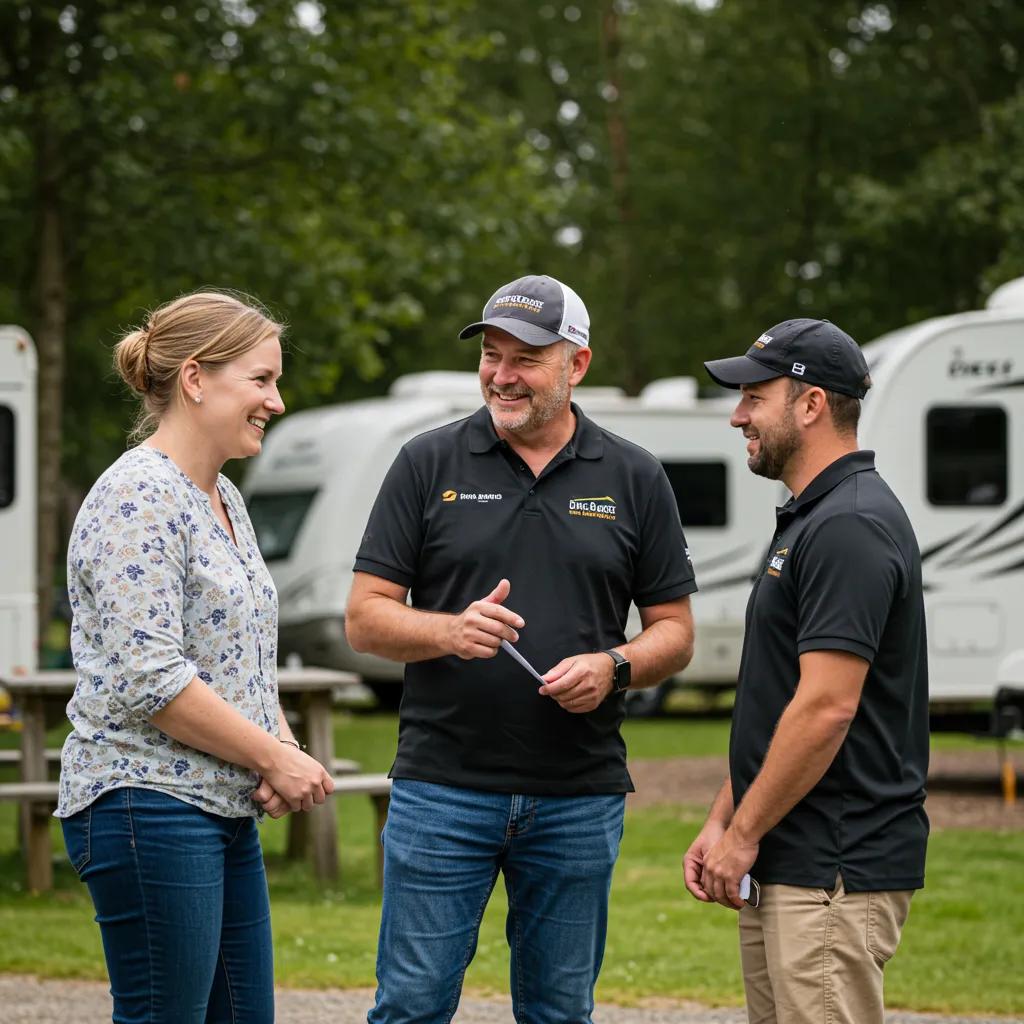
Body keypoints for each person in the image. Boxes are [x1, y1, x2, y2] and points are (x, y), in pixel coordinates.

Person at [346, 274, 697, 1024]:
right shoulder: (426, 462)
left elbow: (676, 632)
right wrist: (447, 630)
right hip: (442, 788)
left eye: (526, 358)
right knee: (409, 1007)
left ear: (577, 365)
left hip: (578, 794)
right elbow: (365, 620)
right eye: (492, 355)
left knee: (559, 1013)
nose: (502, 375)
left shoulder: (634, 476)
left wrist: (616, 666)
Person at [57, 290, 335, 1023]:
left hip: (221, 805)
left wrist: (277, 745)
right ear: (195, 379)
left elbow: (244, 653)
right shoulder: (135, 499)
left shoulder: (225, 498)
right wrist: (273, 759)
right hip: (145, 803)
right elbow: (155, 679)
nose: (276, 401)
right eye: (262, 380)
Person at [684, 319, 929, 1024]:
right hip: (792, 858)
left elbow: (826, 708)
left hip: (833, 867)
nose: (738, 416)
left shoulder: (849, 524)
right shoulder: (813, 517)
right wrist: (722, 821)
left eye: (754, 397)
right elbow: (782, 703)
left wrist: (742, 835)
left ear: (811, 403)